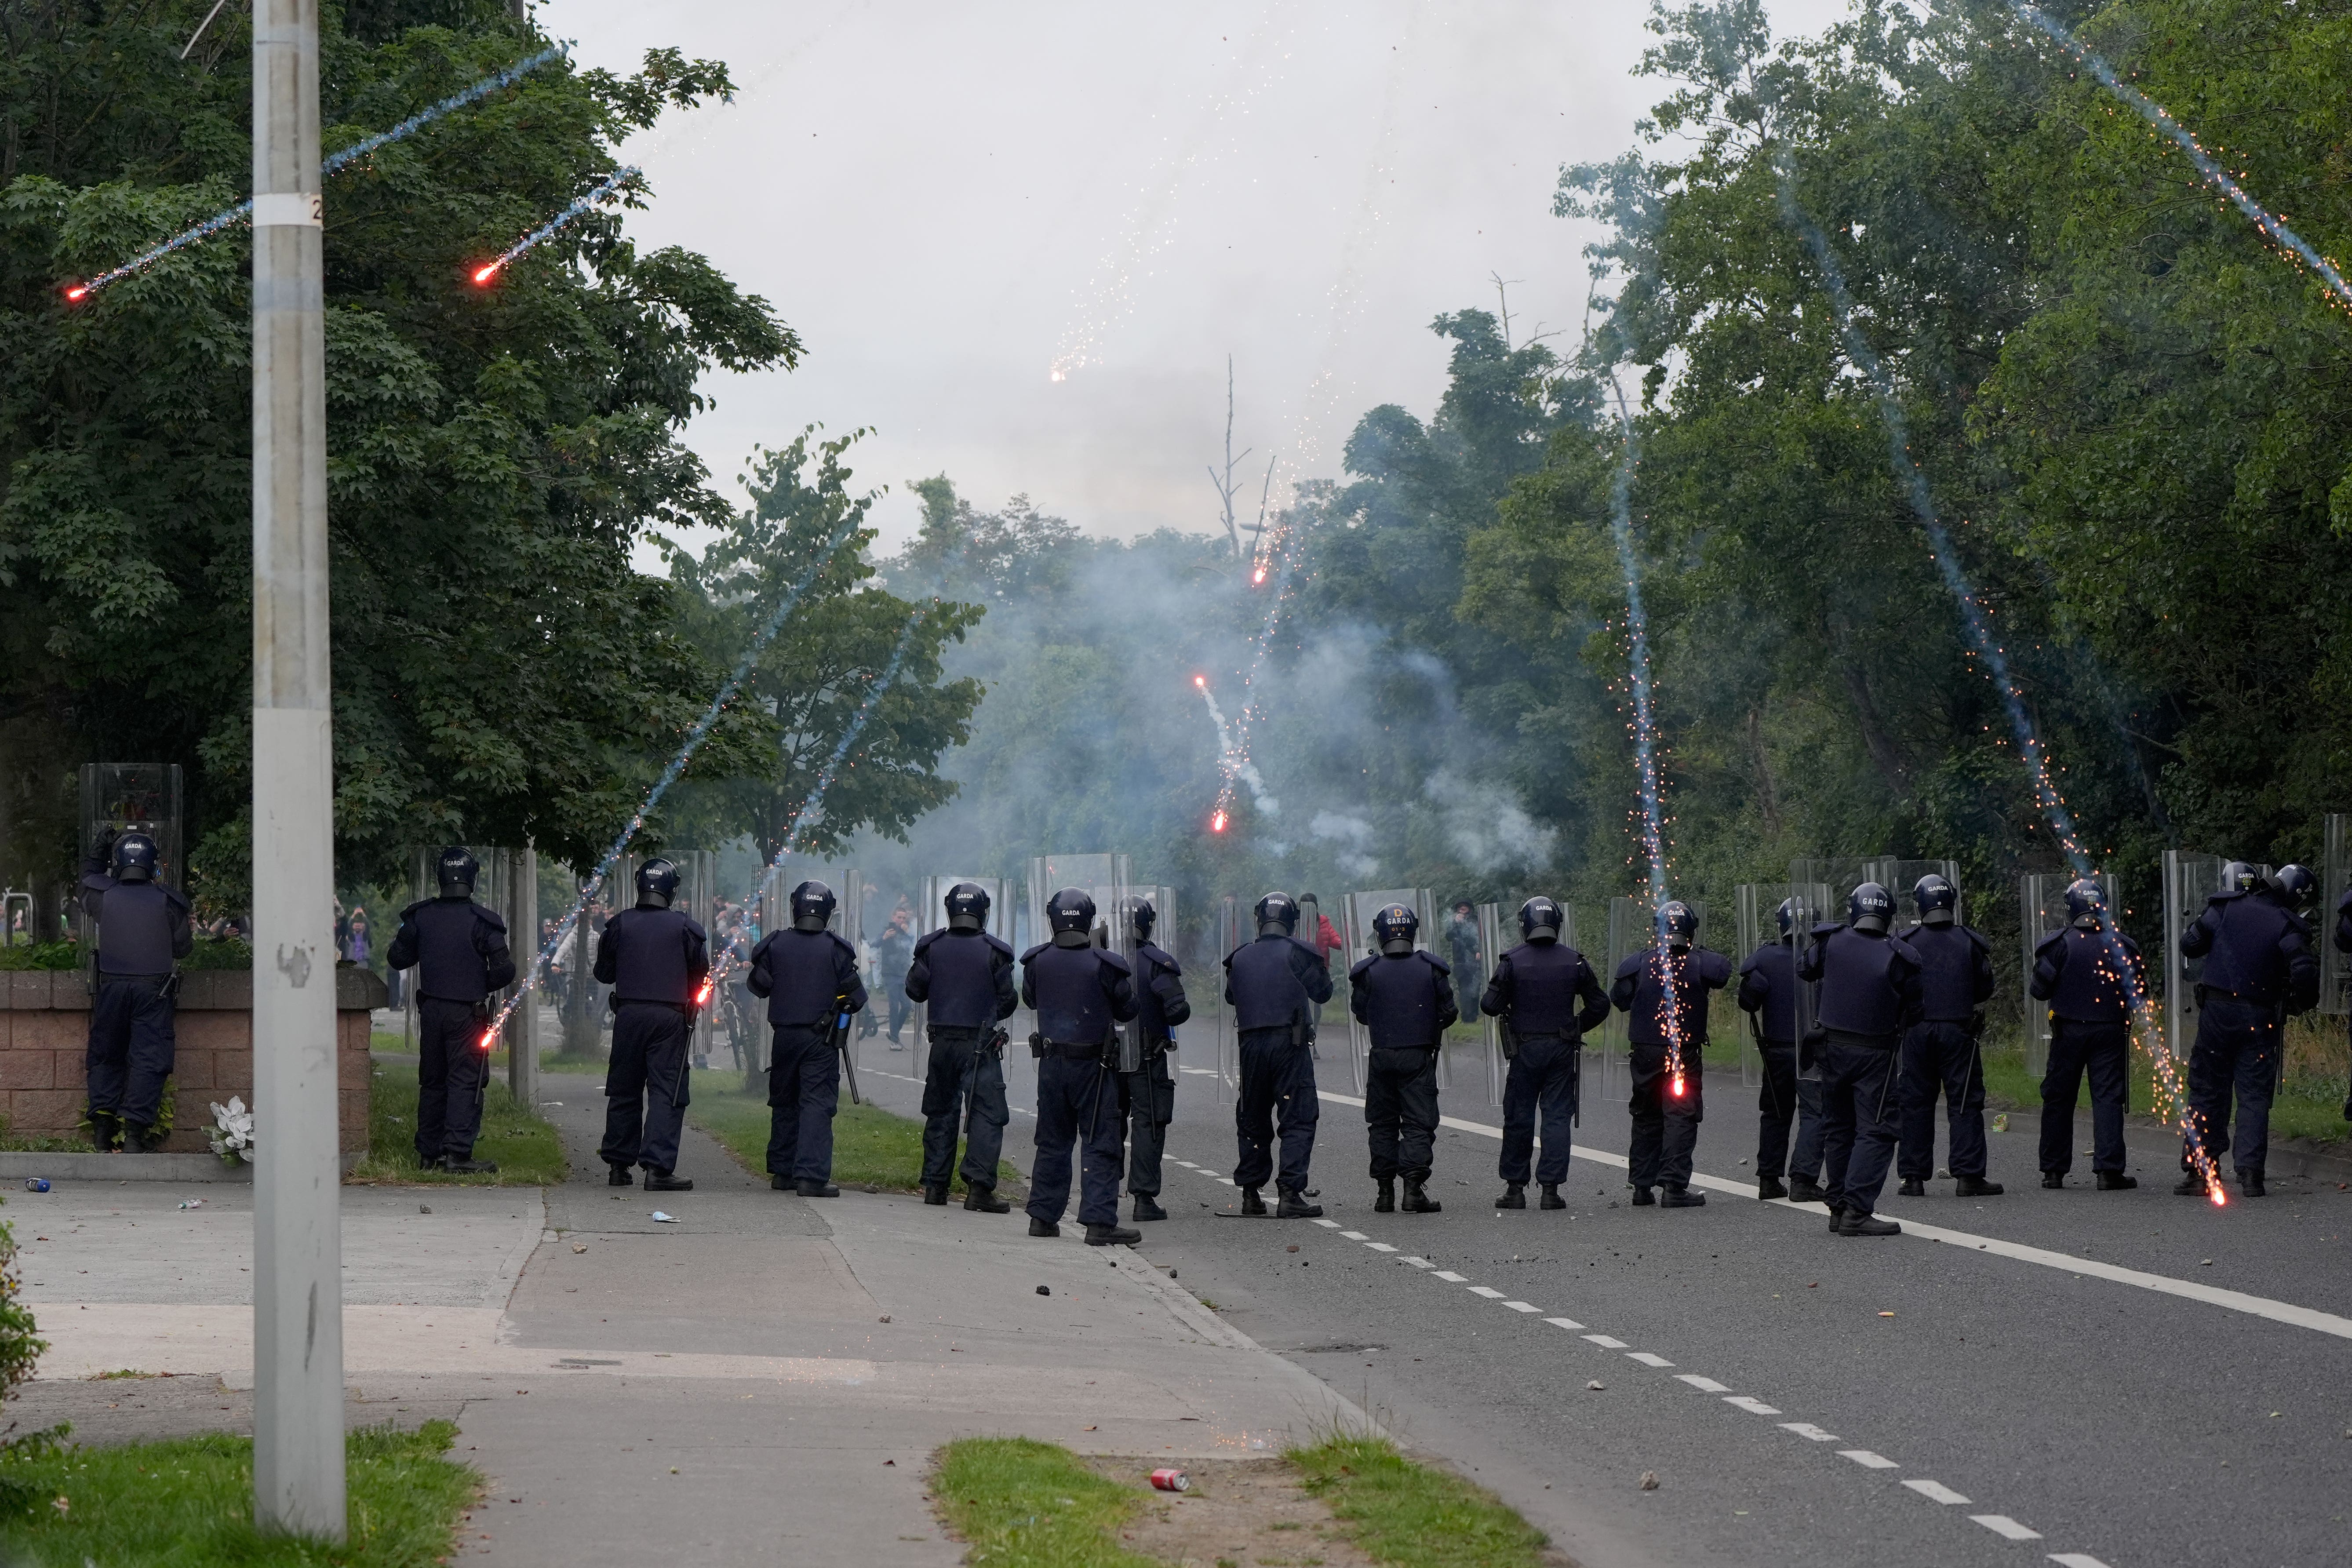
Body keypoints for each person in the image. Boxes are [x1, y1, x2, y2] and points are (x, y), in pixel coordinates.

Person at [2174, 862, 2319, 1198]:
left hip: (2217, 1012)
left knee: (2207, 1089)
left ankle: (2200, 1172)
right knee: (2254, 1096)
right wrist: (2300, 1003)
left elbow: (2190, 944)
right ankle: (2252, 1176)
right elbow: (2305, 973)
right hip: (2260, 1015)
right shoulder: (2288, 924)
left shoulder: (2226, 907)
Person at [1800, 882, 1922, 1237]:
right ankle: (1856, 1210)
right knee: (1878, 1129)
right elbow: (1916, 1009)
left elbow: (1803, 969)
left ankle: (1839, 1207)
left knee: (1839, 1126)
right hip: (1875, 1053)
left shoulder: (1831, 941)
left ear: (1853, 910)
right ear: (1888, 916)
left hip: (1831, 1048)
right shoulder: (1899, 956)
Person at [1021, 888, 1140, 1245]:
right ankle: (1100, 1222)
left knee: (1053, 1141)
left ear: (1052, 919)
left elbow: (1030, 999)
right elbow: (1128, 1009)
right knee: (1100, 1142)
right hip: (1095, 1066)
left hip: (1052, 1064)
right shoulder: (1107, 964)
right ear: (1089, 920)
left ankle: (1043, 1217)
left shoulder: (1037, 961)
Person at [386, 848, 514, 1173]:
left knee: (432, 1080)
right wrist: (476, 980)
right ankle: (457, 1154)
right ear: (472, 879)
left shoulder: (421, 916)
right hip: (467, 1015)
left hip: (430, 1011)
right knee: (465, 1080)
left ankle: (428, 1153)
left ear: (439, 877)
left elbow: (397, 958)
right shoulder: (483, 922)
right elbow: (504, 970)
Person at [1482, 895, 1609, 1210]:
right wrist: (1577, 1026)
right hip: (1562, 1048)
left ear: (1525, 923)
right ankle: (1550, 1191)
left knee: (1519, 1117)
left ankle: (1515, 1190)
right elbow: (1601, 1005)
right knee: (1556, 1118)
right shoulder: (1576, 961)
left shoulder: (1511, 961)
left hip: (1525, 1049)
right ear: (1557, 922)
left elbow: (1489, 1005)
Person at [746, 880, 867, 1197]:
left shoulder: (775, 944)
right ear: (828, 911)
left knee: (784, 1100)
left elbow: (758, 986)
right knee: (816, 1102)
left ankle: (783, 1171)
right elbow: (857, 997)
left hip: (784, 1037)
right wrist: (837, 1006)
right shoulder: (836, 949)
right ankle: (811, 1177)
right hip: (820, 1039)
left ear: (794, 906)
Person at [594, 859, 709, 1191]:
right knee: (666, 1091)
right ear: (672, 891)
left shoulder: (619, 925)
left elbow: (604, 973)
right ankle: (657, 1170)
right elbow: (700, 973)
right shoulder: (686, 927)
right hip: (671, 1018)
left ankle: (618, 1166)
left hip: (629, 1015)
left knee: (624, 1088)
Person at [78, 828, 194, 1153]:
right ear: (153, 865)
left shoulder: (103, 895)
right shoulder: (168, 901)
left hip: (111, 987)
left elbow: (86, 879)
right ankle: (134, 1138)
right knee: (148, 1060)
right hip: (154, 991)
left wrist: (99, 847)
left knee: (106, 1054)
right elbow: (184, 948)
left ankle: (102, 1133)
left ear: (118, 863)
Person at [1609, 900, 1730, 1208]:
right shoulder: (1702, 962)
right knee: (1680, 1115)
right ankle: (1674, 1187)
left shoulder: (1639, 962)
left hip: (1647, 1052)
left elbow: (1619, 999)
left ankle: (1642, 1185)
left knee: (1647, 1114)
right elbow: (1723, 972)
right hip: (1682, 1053)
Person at [907, 882, 1019, 1212]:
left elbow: (915, 990)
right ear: (984, 910)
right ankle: (979, 1191)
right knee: (986, 1115)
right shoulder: (995, 951)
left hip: (942, 1043)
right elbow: (1008, 1001)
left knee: (941, 1112)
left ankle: (935, 1187)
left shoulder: (931, 947)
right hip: (980, 1045)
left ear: (950, 909)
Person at [2030, 878, 2145, 1191]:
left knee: (2059, 1097)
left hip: (2068, 1031)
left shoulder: (2058, 945)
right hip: (2110, 1031)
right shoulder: (2122, 944)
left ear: (2071, 909)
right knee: (2108, 1097)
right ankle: (2109, 1171)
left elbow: (2039, 991)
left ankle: (2054, 1171)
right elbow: (2139, 992)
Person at [1224, 891, 1335, 1217]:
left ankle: (1250, 1194)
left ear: (1259, 919)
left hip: (1251, 1046)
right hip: (1290, 1043)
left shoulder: (1241, 956)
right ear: (1292, 922)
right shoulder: (1299, 953)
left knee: (1253, 1117)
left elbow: (1232, 996)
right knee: (1298, 1116)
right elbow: (1323, 992)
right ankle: (1289, 1193)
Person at [1893, 874, 2001, 1198]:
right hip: (1959, 1031)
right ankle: (1968, 1176)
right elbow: (1985, 988)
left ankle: (1913, 1178)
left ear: (1919, 905)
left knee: (1914, 1102)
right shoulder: (1969, 941)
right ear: (1951, 903)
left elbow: (1893, 986)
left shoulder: (1905, 941)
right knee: (1965, 1100)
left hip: (1916, 1030)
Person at [1349, 904, 1456, 1214]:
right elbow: (1449, 1013)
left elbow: (1360, 1013)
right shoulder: (1432, 967)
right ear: (1413, 930)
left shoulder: (1367, 970)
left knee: (1382, 1123)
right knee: (1418, 1122)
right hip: (1418, 1054)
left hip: (1382, 1054)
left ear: (1379, 932)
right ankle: (1412, 1190)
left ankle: (1385, 1193)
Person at [1738, 897, 1824, 1203]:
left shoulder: (1765, 958)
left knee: (1775, 1112)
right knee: (1815, 1114)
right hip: (1811, 1050)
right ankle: (1803, 1180)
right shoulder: (1820, 957)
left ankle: (1769, 1179)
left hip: (1775, 1052)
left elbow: (1748, 1001)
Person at [1121, 895, 1191, 1222]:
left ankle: (1102, 1195)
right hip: (1147, 1060)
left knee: (1107, 1125)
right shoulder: (1155, 962)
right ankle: (1143, 1200)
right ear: (1149, 924)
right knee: (1148, 1125)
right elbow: (1178, 1010)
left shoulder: (1104, 959)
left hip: (1107, 1060)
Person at [877, 906, 915, 1048]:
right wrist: (884, 938)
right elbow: (874, 944)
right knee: (893, 1006)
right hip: (890, 974)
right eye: (899, 918)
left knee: (907, 1005)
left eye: (904, 918)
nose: (901, 921)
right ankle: (894, 1039)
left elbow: (915, 947)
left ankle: (894, 1033)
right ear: (893, 918)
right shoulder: (887, 930)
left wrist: (909, 934)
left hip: (903, 974)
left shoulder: (907, 933)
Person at [1445, 901, 1482, 1031]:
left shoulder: (1477, 919)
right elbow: (1449, 936)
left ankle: (1474, 1016)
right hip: (1460, 961)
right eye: (1460, 906)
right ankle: (1467, 1018)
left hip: (1474, 960)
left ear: (1469, 908)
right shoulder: (1454, 921)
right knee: (1464, 990)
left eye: (1465, 906)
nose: (1462, 908)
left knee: (1475, 988)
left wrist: (1478, 950)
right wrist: (1455, 922)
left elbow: (1477, 937)